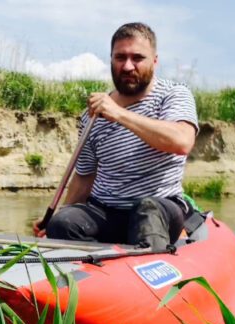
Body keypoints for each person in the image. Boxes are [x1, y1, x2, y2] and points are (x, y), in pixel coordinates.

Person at [33, 22, 199, 249]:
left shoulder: (174, 95)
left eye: (138, 58)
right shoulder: (92, 116)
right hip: (106, 212)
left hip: (160, 208)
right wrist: (55, 221)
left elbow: (181, 142)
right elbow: (84, 178)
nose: (128, 66)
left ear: (155, 61)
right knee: (63, 223)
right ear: (111, 60)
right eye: (120, 58)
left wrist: (119, 114)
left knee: (147, 211)